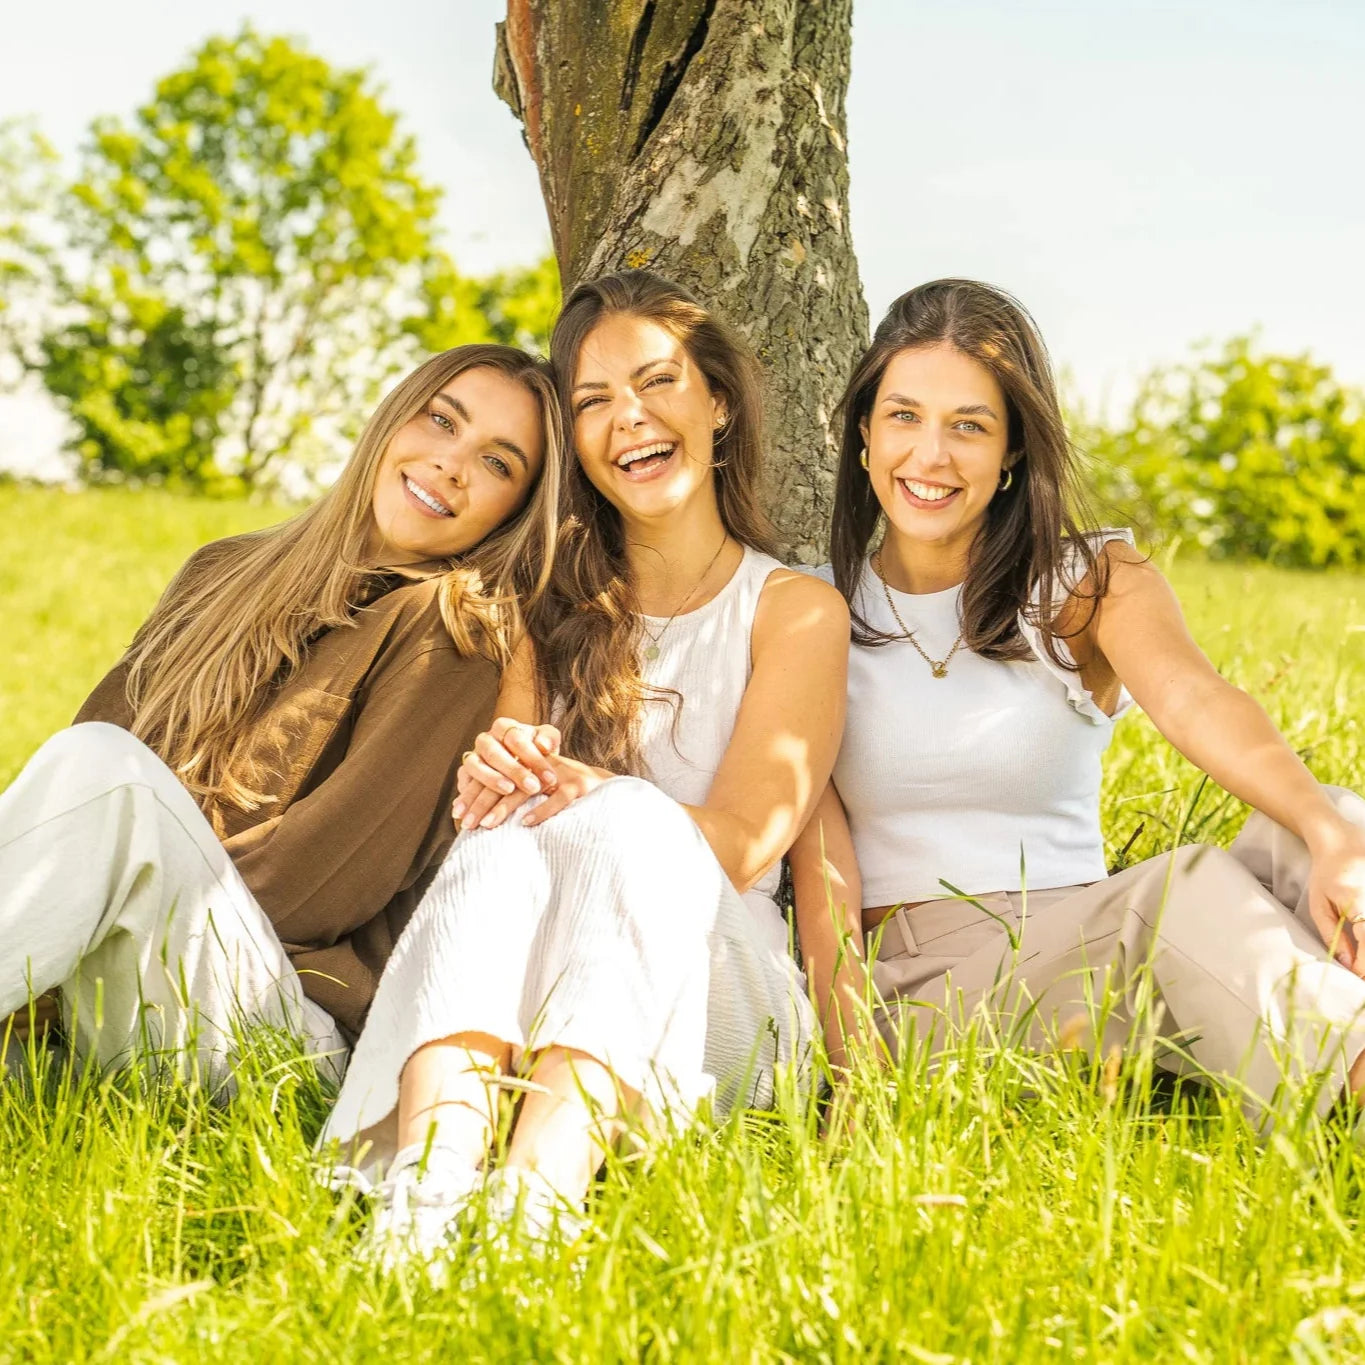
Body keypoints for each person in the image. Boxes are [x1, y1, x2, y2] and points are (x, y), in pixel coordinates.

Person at [322, 271, 849, 1260]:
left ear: (719, 401)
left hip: (721, 995)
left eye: (657, 383)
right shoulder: (543, 604)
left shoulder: (797, 612)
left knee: (619, 818)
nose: (630, 420)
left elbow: (740, 846)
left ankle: (533, 1209)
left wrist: (593, 792)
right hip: (539, 986)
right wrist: (499, 765)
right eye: (594, 401)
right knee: (496, 842)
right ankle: (422, 1204)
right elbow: (508, 801)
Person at [791, 277, 1365, 1119]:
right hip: (922, 980)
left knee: (1319, 825)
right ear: (864, 434)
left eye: (969, 426)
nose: (931, 455)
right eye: (904, 416)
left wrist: (1327, 833)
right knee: (1179, 899)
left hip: (1085, 931)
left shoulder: (1085, 581)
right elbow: (817, 857)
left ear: (1012, 449)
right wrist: (851, 1066)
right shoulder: (809, 609)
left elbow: (1194, 697)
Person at [0, 343, 560, 1089]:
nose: (452, 464)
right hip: (133, 968)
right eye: (440, 420)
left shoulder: (457, 631)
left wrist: (107, 905)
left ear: (514, 510)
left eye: (498, 464)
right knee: (98, 762)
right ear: (393, 421)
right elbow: (80, 783)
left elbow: (320, 887)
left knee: (107, 772)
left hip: (276, 1016)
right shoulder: (222, 569)